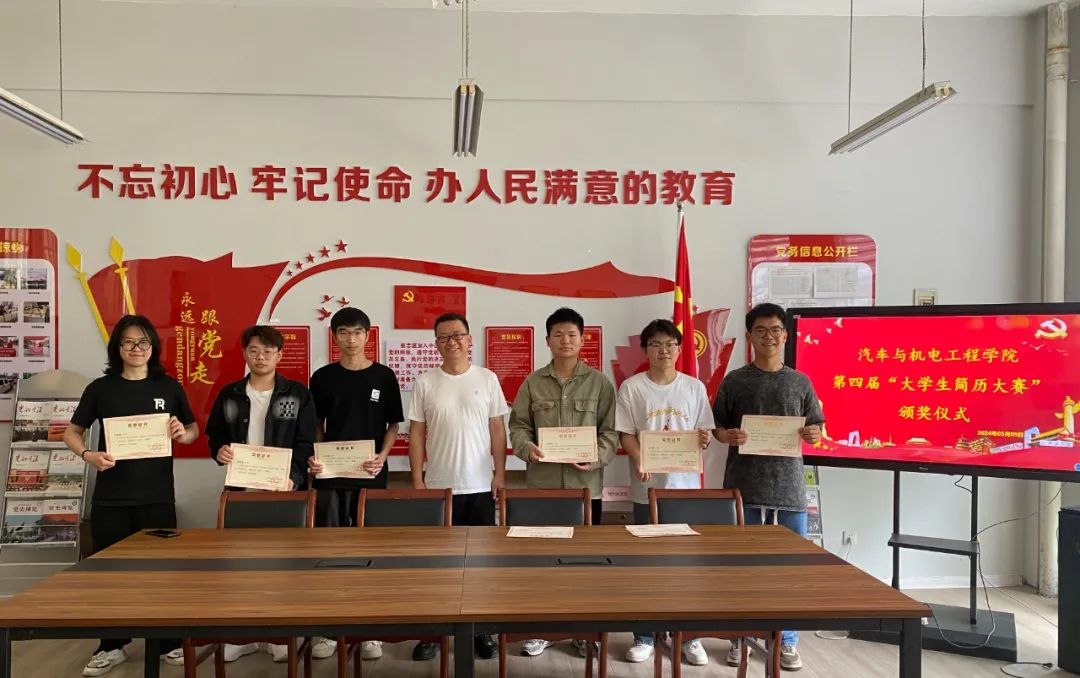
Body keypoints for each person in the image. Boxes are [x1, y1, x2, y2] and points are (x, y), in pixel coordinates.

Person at [63, 315, 199, 677]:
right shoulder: (100, 388)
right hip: (111, 499)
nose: (136, 349)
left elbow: (192, 431)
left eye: (143, 342)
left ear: (152, 347)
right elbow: (72, 432)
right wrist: (88, 455)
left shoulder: (168, 387)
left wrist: (181, 433)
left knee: (163, 573)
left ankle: (167, 641)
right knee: (110, 576)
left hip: (157, 497)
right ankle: (112, 644)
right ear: (117, 348)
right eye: (128, 342)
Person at [179, 324, 318, 666]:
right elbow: (214, 436)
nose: (261, 357)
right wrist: (220, 451)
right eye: (254, 350)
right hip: (240, 491)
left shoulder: (297, 394)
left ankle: (279, 637)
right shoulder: (230, 393)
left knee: (282, 567)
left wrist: (294, 478)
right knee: (239, 567)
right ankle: (242, 637)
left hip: (283, 494)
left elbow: (305, 443)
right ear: (245, 353)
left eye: (268, 351)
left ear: (279, 355)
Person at [712, 303, 824, 672]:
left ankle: (786, 640)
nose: (769, 336)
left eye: (775, 330)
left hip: (789, 489)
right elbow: (716, 427)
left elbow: (817, 426)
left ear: (785, 335)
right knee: (740, 567)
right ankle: (740, 637)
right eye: (760, 330)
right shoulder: (735, 381)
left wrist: (813, 433)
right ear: (749, 336)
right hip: (743, 488)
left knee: (790, 569)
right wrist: (726, 436)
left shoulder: (800, 381)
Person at [508, 306, 617, 659]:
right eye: (558, 335)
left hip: (586, 489)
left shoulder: (600, 383)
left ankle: (583, 631)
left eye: (572, 334)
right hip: (543, 488)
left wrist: (595, 457)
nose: (565, 341)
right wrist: (527, 448)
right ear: (547, 340)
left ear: (583, 340)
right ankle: (542, 629)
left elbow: (611, 432)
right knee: (542, 560)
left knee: (585, 562)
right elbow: (518, 426)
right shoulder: (532, 383)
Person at [408, 312, 508, 662]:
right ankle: (434, 632)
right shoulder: (425, 382)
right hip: (439, 488)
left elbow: (498, 429)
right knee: (438, 565)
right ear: (436, 343)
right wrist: (417, 481)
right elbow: (417, 434)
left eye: (457, 335)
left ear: (469, 340)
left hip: (480, 486)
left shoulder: (487, 378)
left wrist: (500, 473)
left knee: (481, 564)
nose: (451, 341)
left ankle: (481, 631)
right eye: (443, 337)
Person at [615, 319, 713, 667]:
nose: (664, 350)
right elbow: (626, 434)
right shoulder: (632, 387)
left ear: (680, 349)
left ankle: (689, 636)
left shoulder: (694, 387)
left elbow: (704, 432)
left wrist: (703, 438)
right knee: (646, 565)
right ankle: (644, 636)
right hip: (647, 490)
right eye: (656, 344)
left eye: (670, 344)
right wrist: (641, 459)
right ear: (645, 350)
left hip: (686, 490)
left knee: (687, 566)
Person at [307, 307, 403, 661]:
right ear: (335, 337)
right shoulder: (323, 377)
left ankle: (369, 632)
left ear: (367, 336)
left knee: (370, 550)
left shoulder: (384, 376)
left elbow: (394, 424)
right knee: (331, 551)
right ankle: (329, 631)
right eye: (344, 332)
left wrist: (383, 455)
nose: (351, 339)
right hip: (331, 476)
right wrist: (318, 455)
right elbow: (316, 423)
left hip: (370, 474)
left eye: (357, 332)